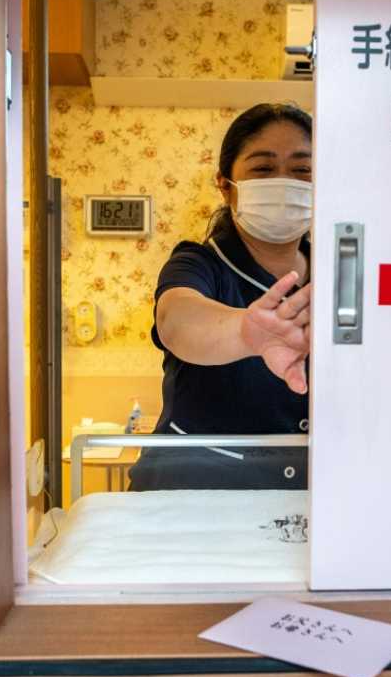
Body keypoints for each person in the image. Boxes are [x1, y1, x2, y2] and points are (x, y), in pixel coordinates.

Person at [128, 104, 313, 491]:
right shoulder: (198, 263)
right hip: (189, 496)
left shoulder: (339, 271)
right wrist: (248, 332)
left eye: (302, 170)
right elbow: (178, 321)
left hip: (301, 502)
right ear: (225, 185)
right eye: (263, 168)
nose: (284, 182)